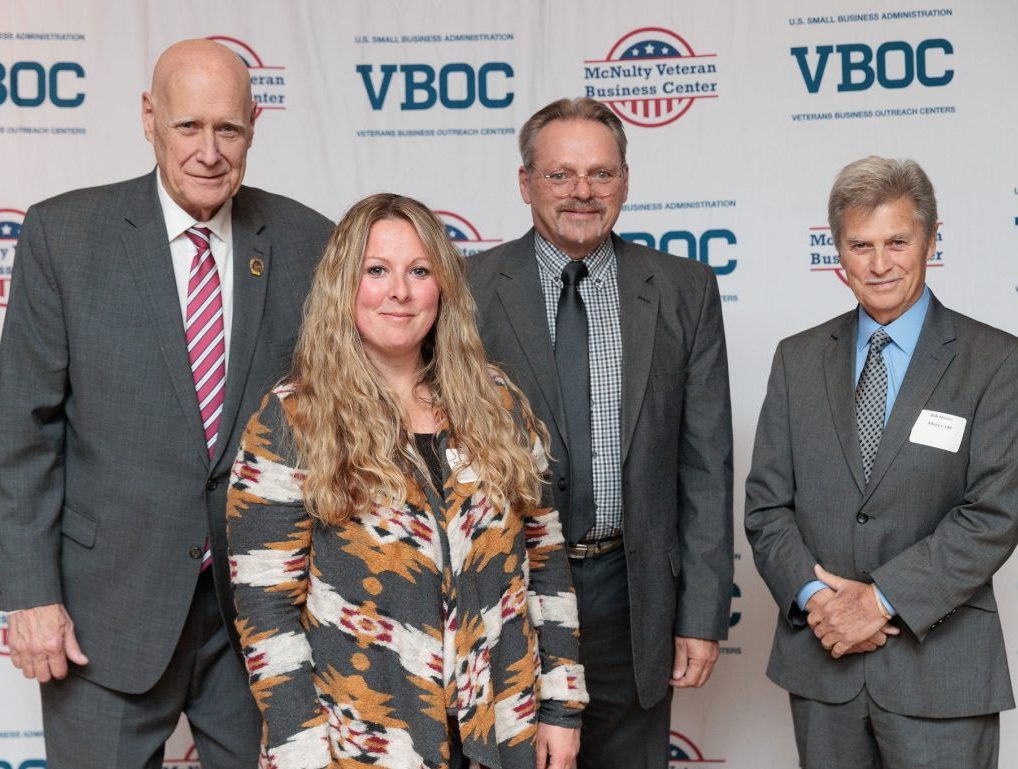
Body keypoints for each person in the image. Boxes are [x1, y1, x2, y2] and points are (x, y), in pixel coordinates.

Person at [0, 39, 333, 768]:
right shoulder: (66, 236)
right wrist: (29, 596)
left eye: (228, 129)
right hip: (102, 614)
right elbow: (20, 428)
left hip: (263, 617)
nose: (209, 151)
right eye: (189, 127)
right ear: (149, 117)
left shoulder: (311, 241)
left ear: (253, 126)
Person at [227, 193, 587, 769]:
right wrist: (303, 754)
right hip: (358, 746)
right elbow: (265, 613)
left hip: (502, 734)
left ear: (442, 288)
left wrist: (561, 708)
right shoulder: (293, 419)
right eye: (377, 271)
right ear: (344, 286)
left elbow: (546, 565)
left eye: (419, 271)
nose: (400, 290)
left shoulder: (496, 404)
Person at [467, 97, 734, 769]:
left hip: (631, 593)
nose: (582, 192)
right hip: (508, 591)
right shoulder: (467, 289)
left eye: (600, 174)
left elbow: (705, 466)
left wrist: (701, 613)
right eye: (560, 175)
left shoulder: (684, 288)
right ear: (526, 183)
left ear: (625, 180)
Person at [745, 156, 1018, 769]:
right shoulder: (798, 359)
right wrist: (820, 601)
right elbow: (766, 508)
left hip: (940, 674)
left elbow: (995, 513)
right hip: (824, 670)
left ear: (931, 239)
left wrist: (878, 602)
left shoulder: (996, 361)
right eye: (859, 245)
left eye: (897, 241)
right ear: (837, 251)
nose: (879, 263)